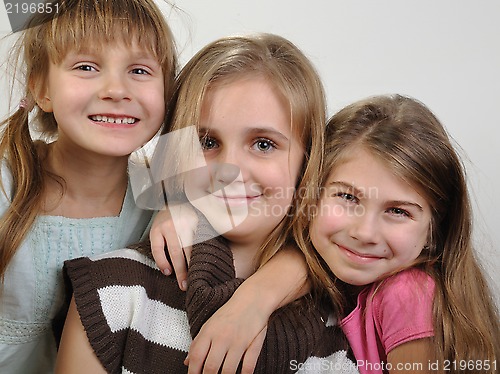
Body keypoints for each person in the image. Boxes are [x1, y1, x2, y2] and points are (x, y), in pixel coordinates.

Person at [55, 33, 358, 374]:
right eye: (208, 141)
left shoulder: (347, 320)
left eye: (263, 144)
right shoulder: (110, 291)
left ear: (308, 159)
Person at [0, 0, 177, 372]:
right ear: (41, 89)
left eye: (140, 70)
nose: (116, 89)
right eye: (86, 67)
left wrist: (181, 206)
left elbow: (296, 238)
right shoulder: (6, 184)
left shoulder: (162, 194)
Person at [298, 94, 500, 374]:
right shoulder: (322, 275)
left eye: (398, 211)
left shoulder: (405, 294)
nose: (365, 232)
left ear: (433, 231)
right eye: (347, 197)